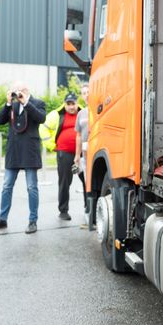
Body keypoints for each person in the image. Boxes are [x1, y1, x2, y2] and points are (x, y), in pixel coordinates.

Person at [0, 82, 46, 234]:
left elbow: (41, 118)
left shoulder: (37, 103)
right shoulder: (12, 106)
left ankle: (33, 221)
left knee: (31, 187)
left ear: (27, 90)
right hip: (14, 151)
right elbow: (0, 121)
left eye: (20, 90)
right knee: (6, 186)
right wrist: (7, 103)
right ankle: (2, 219)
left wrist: (26, 102)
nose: (17, 93)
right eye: (15, 91)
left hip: (30, 151)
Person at [49, 93, 80, 221]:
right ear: (64, 104)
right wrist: (51, 145)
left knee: (87, 181)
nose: (71, 107)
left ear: (77, 103)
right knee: (65, 182)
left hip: (82, 153)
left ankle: (89, 209)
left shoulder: (83, 113)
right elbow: (44, 128)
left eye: (73, 104)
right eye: (68, 104)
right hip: (64, 153)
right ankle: (63, 211)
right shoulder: (58, 115)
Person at [74, 83, 91, 227]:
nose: (86, 95)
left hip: (96, 154)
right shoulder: (81, 113)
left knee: (94, 184)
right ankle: (88, 212)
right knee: (86, 184)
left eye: (88, 92)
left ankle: (94, 215)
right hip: (84, 156)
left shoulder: (99, 110)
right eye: (84, 93)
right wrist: (77, 155)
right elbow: (78, 135)